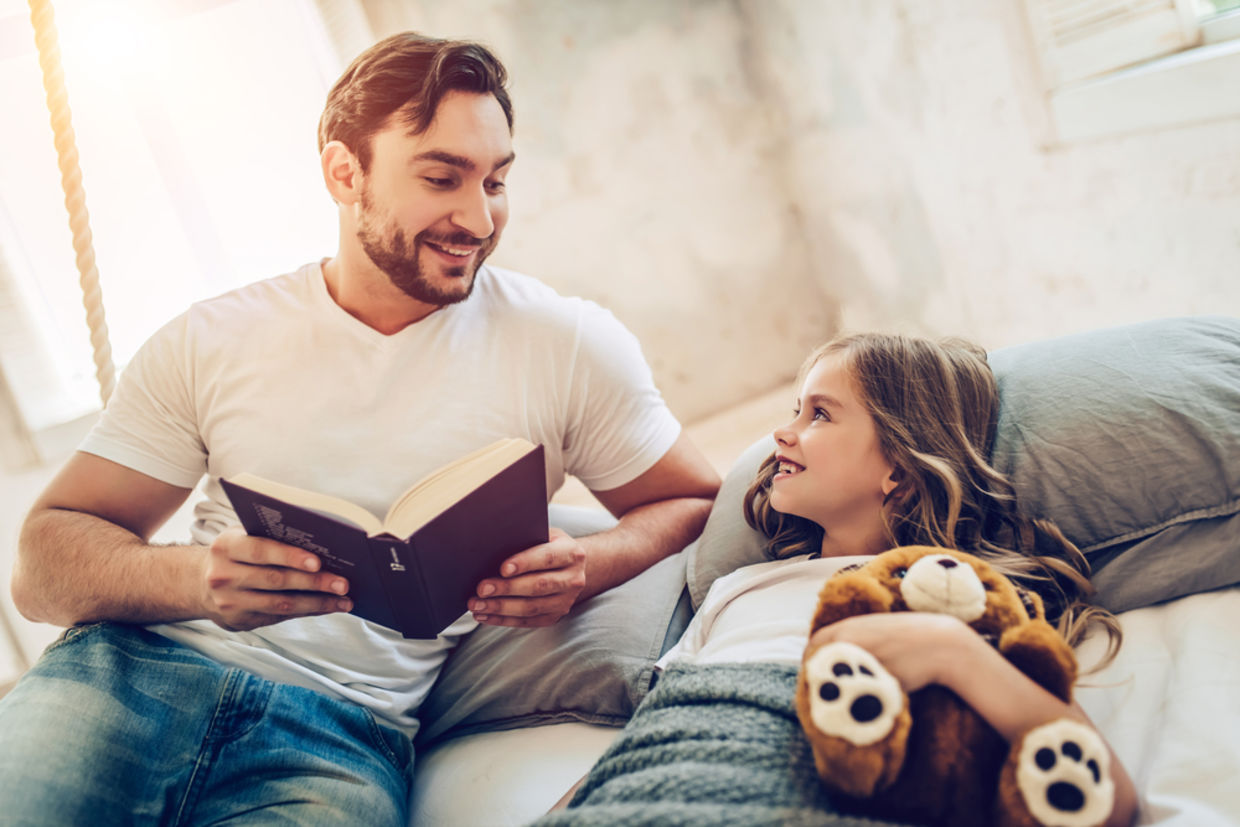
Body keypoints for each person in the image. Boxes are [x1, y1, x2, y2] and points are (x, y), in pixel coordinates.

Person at [0, 31, 720, 825]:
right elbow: (40, 569)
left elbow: (693, 498)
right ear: (346, 172)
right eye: (442, 177)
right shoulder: (213, 340)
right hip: (131, 677)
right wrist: (196, 578)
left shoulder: (567, 344)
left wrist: (591, 561)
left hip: (340, 739)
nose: (478, 218)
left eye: (498, 180)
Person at [539, 333, 1137, 827]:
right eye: (794, 409)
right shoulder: (741, 588)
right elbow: (654, 728)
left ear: (899, 470)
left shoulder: (952, 593)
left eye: (819, 413)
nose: (783, 433)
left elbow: (1107, 802)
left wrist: (950, 653)